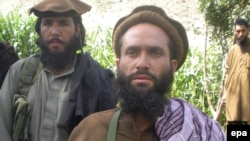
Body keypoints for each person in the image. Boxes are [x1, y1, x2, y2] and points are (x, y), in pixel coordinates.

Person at [68, 5, 226, 141]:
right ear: (118, 64)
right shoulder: (92, 130)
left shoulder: (197, 131)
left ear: (173, 66)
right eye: (132, 52)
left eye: (155, 53)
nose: (142, 64)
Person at [0, 0, 116, 140]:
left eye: (63, 23)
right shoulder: (19, 72)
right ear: (39, 29)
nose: (54, 32)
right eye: (48, 23)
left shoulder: (96, 79)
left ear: (77, 29)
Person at [222, 18, 250, 125]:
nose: (241, 34)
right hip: (233, 100)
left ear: (248, 30)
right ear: (235, 32)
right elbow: (228, 74)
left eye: (243, 31)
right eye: (238, 31)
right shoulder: (232, 50)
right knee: (236, 133)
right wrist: (225, 94)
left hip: (248, 100)